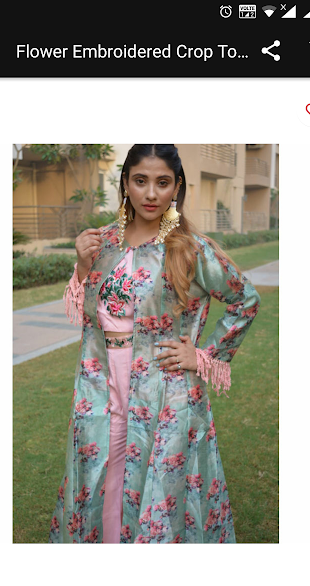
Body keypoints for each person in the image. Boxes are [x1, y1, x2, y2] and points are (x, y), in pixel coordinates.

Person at [49, 144, 260, 544]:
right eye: (140, 181)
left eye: (162, 183)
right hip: (100, 386)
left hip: (164, 390)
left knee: (159, 485)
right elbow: (89, 315)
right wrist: (83, 266)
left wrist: (204, 355)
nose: (150, 193)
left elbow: (245, 300)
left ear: (176, 187)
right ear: (125, 183)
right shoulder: (102, 241)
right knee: (100, 474)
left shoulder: (190, 247)